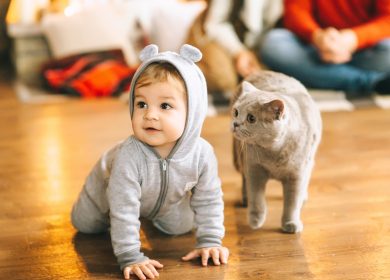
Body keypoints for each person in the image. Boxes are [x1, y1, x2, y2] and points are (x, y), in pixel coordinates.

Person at [71, 44, 228, 280]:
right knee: (85, 224)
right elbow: (123, 208)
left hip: (164, 200)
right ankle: (114, 215)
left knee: (181, 227)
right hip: (105, 193)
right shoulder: (128, 156)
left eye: (165, 106)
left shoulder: (202, 154)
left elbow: (209, 199)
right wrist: (130, 255)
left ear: (193, 112)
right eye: (141, 104)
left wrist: (210, 240)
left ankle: (152, 214)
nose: (150, 114)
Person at [260, 0, 390, 97]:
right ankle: (371, 82)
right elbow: (296, 11)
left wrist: (354, 38)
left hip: (366, 48)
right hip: (314, 48)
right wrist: (317, 36)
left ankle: (321, 75)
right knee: (273, 44)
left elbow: (387, 19)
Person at [187, 0, 283, 98]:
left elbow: (270, 25)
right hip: (216, 36)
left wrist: (253, 53)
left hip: (255, 44)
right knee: (223, 80)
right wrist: (238, 52)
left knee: (265, 82)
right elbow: (215, 24)